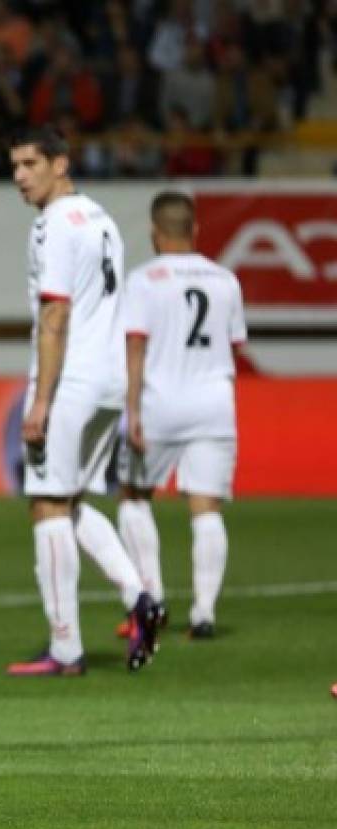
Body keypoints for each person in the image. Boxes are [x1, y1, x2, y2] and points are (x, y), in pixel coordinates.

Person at [5, 126, 158, 678]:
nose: (19, 176)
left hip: (71, 381)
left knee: (46, 504)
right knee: (70, 502)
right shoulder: (101, 219)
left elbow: (55, 314)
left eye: (29, 163)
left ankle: (64, 647)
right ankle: (141, 596)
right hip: (110, 380)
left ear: (60, 163)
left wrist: (40, 399)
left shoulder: (52, 228)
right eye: (15, 166)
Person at [117, 191, 247, 640]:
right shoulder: (226, 279)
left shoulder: (144, 279)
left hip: (160, 402)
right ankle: (204, 614)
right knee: (206, 508)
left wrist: (130, 409)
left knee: (134, 496)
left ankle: (150, 601)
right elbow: (234, 345)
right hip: (214, 402)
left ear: (155, 234)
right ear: (195, 231)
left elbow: (135, 345)